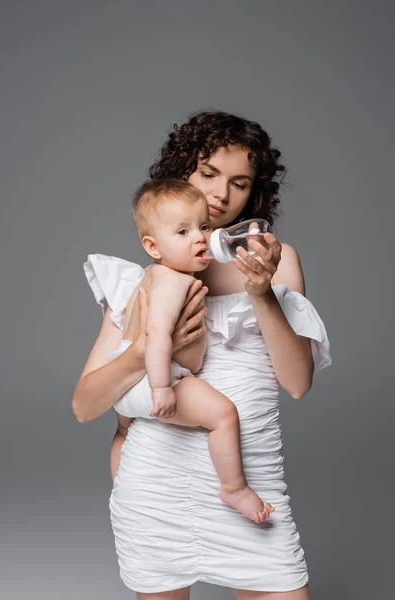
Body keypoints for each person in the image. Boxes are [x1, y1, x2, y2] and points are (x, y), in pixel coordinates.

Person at [72, 110, 332, 599]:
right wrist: (147, 350)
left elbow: (297, 384)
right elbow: (85, 406)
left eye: (239, 182)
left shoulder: (276, 262)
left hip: (247, 482)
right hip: (155, 486)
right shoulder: (144, 278)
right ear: (181, 173)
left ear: (253, 193)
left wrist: (262, 293)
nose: (219, 194)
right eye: (208, 173)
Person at [109, 178, 275, 524]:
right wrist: (161, 387)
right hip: (154, 375)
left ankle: (123, 493)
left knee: (124, 432)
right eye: (182, 232)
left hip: (132, 380)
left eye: (202, 226)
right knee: (223, 415)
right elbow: (156, 335)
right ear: (153, 247)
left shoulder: (156, 274)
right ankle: (234, 487)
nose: (200, 236)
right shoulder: (174, 280)